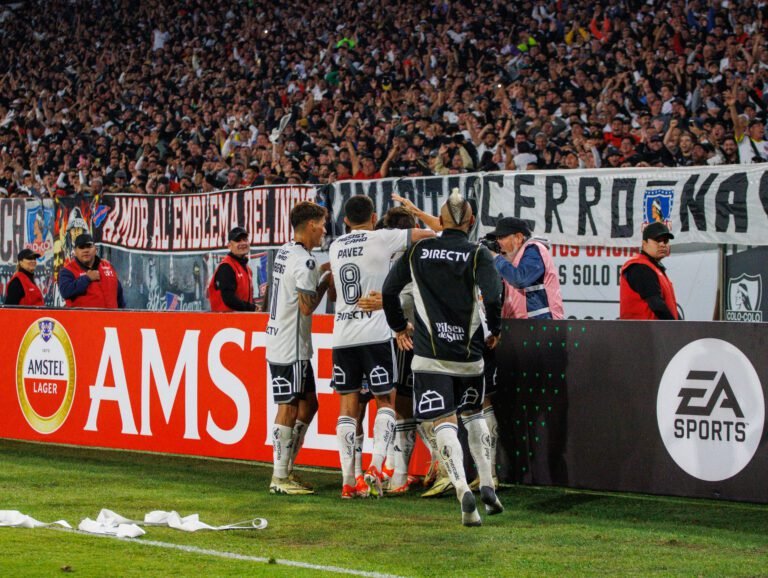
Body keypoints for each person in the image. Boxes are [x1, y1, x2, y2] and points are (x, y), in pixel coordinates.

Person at [382, 189, 504, 526]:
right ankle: (489, 483)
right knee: (474, 414)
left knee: (443, 421)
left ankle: (463, 488)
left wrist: (398, 326)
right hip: (468, 355)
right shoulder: (478, 253)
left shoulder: (419, 250)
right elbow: (494, 295)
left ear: (441, 220)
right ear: (471, 221)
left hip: (429, 355)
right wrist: (495, 328)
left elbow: (390, 290)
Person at [328, 195, 433, 499]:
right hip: (375, 335)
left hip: (342, 337)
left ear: (345, 220)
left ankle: (349, 481)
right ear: (374, 217)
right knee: (385, 402)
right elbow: (433, 235)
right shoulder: (383, 238)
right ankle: (375, 469)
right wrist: (416, 217)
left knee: (348, 408)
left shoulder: (336, 246)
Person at [265, 201, 333, 495]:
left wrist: (322, 269)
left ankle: (286, 468)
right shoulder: (305, 261)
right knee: (289, 407)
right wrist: (325, 282)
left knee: (310, 404)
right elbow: (306, 308)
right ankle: (279, 477)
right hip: (290, 344)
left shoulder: (285, 251)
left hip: (283, 338)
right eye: (322, 224)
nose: (324, 230)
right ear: (310, 226)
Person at [484, 217, 564, 320]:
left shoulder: (535, 250)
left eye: (501, 237)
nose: (498, 242)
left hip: (542, 325)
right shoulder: (512, 261)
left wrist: (495, 257)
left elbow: (520, 280)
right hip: (519, 326)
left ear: (518, 237)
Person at [619, 222, 679, 320]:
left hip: (653, 332)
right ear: (644, 244)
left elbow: (668, 307)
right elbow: (657, 306)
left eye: (665, 241)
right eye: (657, 240)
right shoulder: (640, 267)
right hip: (643, 333)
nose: (662, 245)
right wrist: (677, 328)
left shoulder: (653, 267)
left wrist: (681, 325)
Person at [58, 233, 125, 309]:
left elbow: (119, 295)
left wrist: (122, 315)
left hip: (111, 318)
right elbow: (65, 291)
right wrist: (87, 278)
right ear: (75, 251)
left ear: (95, 249)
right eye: (81, 247)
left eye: (89, 246)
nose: (86, 250)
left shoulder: (108, 266)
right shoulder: (68, 270)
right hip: (83, 319)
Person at [207, 227, 257, 312]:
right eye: (238, 240)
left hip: (241, 320)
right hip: (225, 321)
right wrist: (252, 308)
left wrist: (253, 307)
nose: (243, 243)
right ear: (229, 246)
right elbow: (229, 299)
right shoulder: (226, 267)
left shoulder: (247, 268)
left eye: (245, 239)